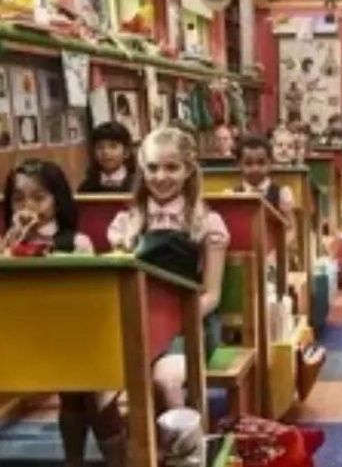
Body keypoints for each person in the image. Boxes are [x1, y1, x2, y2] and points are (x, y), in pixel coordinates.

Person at [107, 127, 230, 459]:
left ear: (188, 170)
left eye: (171, 167)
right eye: (152, 167)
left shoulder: (206, 222)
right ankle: (133, 454)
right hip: (138, 322)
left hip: (190, 324)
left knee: (167, 378)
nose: (161, 176)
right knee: (101, 384)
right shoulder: (126, 222)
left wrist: (171, 325)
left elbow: (212, 295)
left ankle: (189, 454)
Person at [1, 159, 125, 467]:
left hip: (73, 335)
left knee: (90, 390)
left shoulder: (77, 243)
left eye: (39, 197)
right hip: (24, 337)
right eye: (19, 199)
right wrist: (11, 245)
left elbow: (93, 300)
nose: (28, 206)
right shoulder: (7, 245)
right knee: (80, 387)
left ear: (57, 200)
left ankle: (106, 459)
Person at [78, 122, 135, 193]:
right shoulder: (87, 187)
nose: (105, 152)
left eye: (113, 146)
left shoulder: (136, 185)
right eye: (100, 147)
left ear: (126, 152)